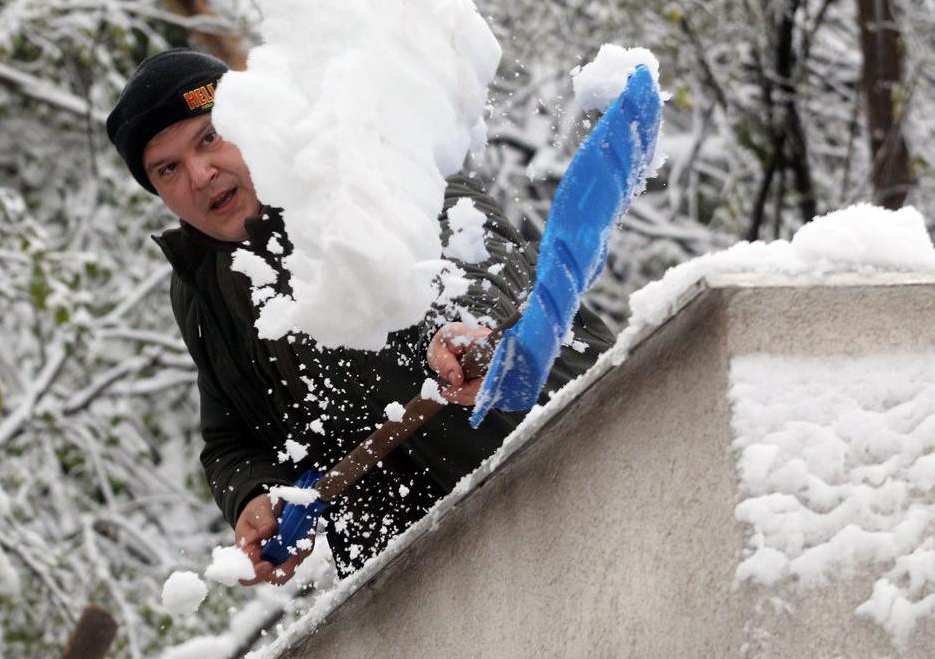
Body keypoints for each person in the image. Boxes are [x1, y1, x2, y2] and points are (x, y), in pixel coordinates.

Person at [106, 48, 613, 582]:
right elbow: (229, 438)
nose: (201, 173)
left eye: (209, 137)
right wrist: (253, 495)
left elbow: (483, 251)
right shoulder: (201, 289)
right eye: (169, 170)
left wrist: (472, 323)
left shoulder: (358, 160)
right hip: (436, 568)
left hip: (575, 444)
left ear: (250, 119)